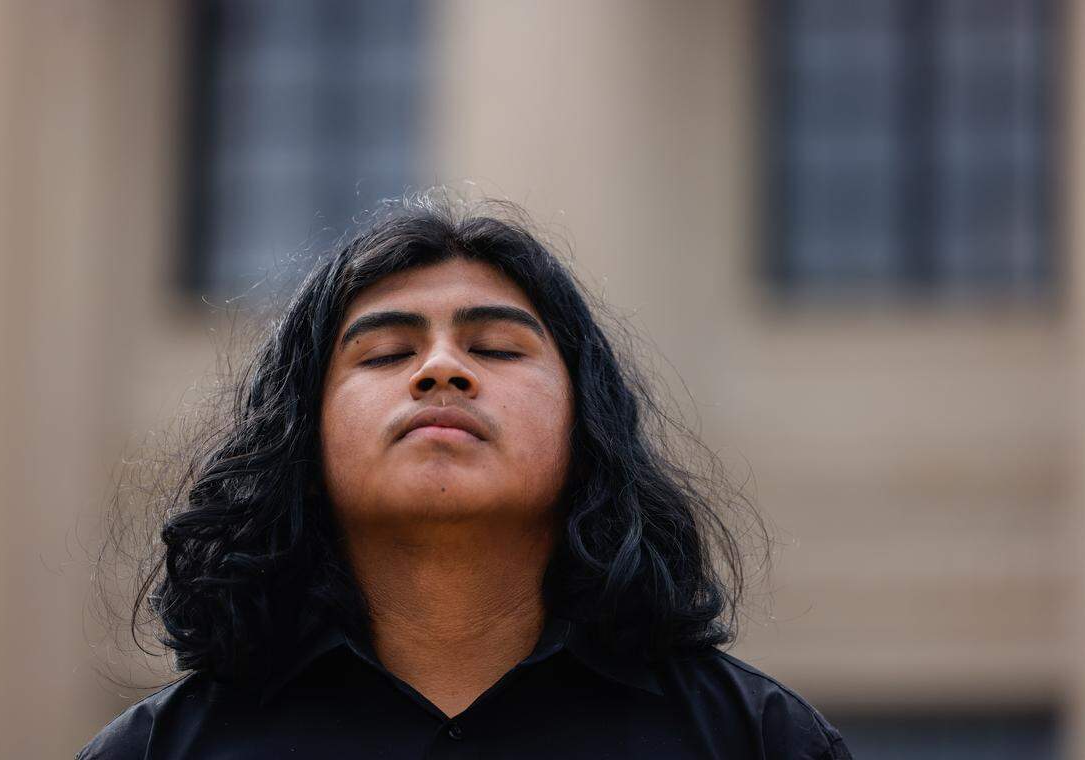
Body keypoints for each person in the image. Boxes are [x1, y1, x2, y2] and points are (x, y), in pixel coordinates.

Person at [77, 193, 853, 759]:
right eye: (384, 355)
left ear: (588, 424)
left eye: (496, 349)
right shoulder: (157, 752)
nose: (441, 369)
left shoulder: (756, 741)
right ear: (302, 432)